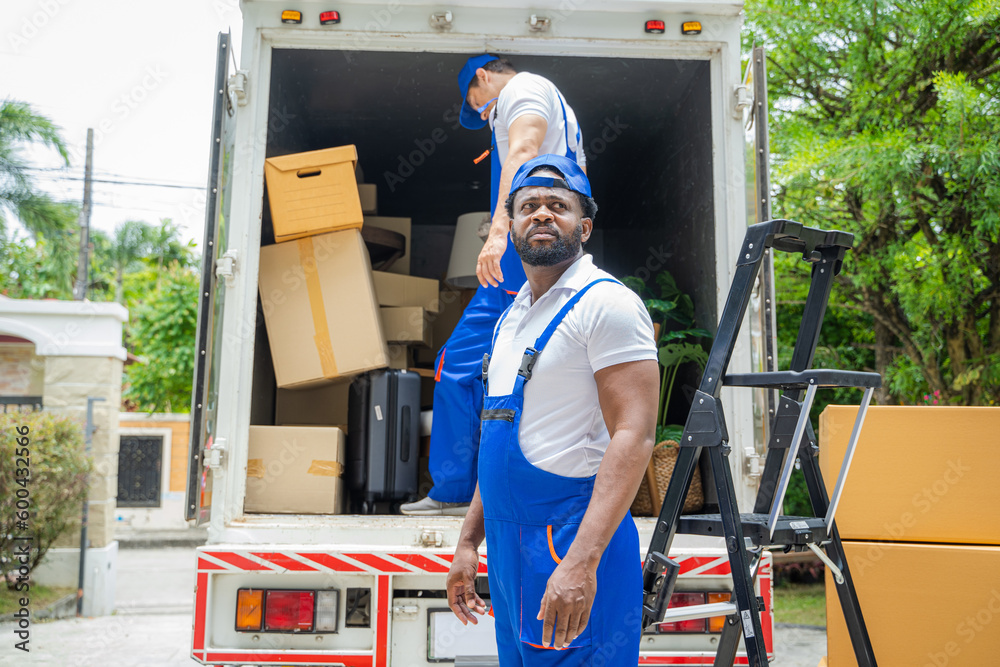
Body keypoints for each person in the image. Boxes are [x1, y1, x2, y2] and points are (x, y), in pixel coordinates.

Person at [445, 154, 659, 665]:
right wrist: (467, 543)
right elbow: (497, 442)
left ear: (583, 226)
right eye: (528, 206)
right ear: (510, 228)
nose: (542, 214)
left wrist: (581, 562)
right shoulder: (510, 320)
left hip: (570, 541)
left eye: (557, 205)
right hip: (507, 547)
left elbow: (635, 435)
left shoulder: (606, 304)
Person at [402, 55, 588, 515]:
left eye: (476, 101)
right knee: (512, 374)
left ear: (484, 77)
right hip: (548, 244)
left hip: (522, 247)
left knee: (457, 366)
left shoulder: (520, 91)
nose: (482, 113)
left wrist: (500, 231)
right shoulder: (549, 97)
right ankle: (504, 493)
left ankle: (452, 491)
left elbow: (524, 151)